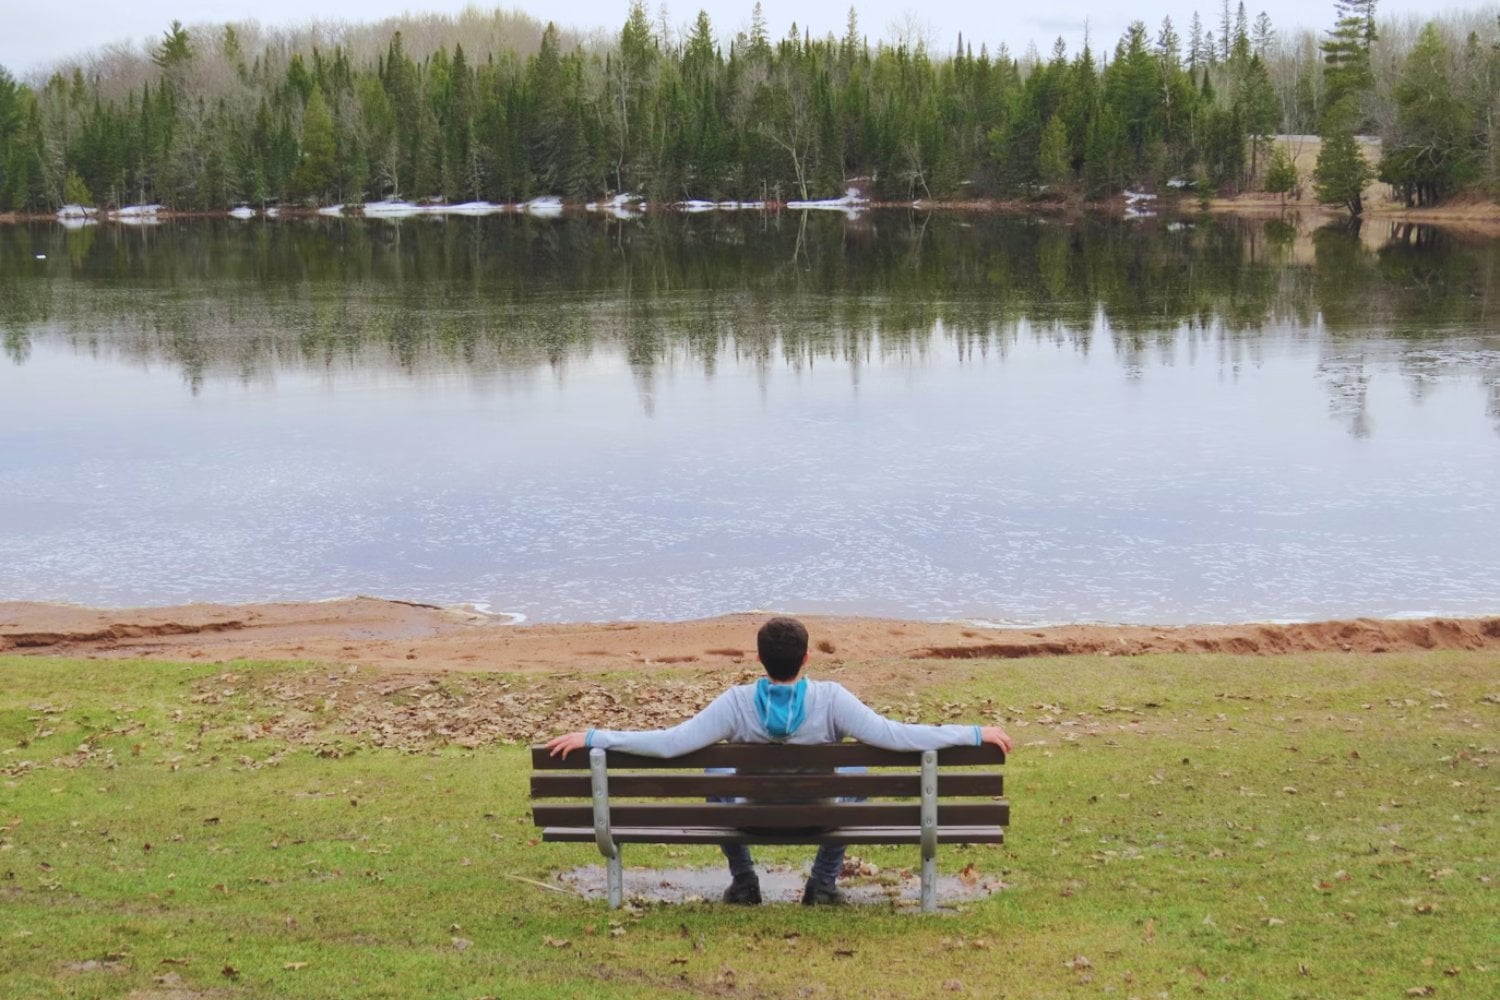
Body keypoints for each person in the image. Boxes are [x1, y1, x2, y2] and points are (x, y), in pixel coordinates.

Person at [545, 616, 1013, 906]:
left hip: (746, 817)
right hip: (820, 820)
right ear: (806, 657)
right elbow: (895, 736)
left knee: (713, 771)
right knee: (857, 771)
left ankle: (744, 880)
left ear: (759, 658)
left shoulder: (736, 702)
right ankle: (824, 883)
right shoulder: (831, 699)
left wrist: (595, 736)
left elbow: (670, 743)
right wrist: (972, 733)